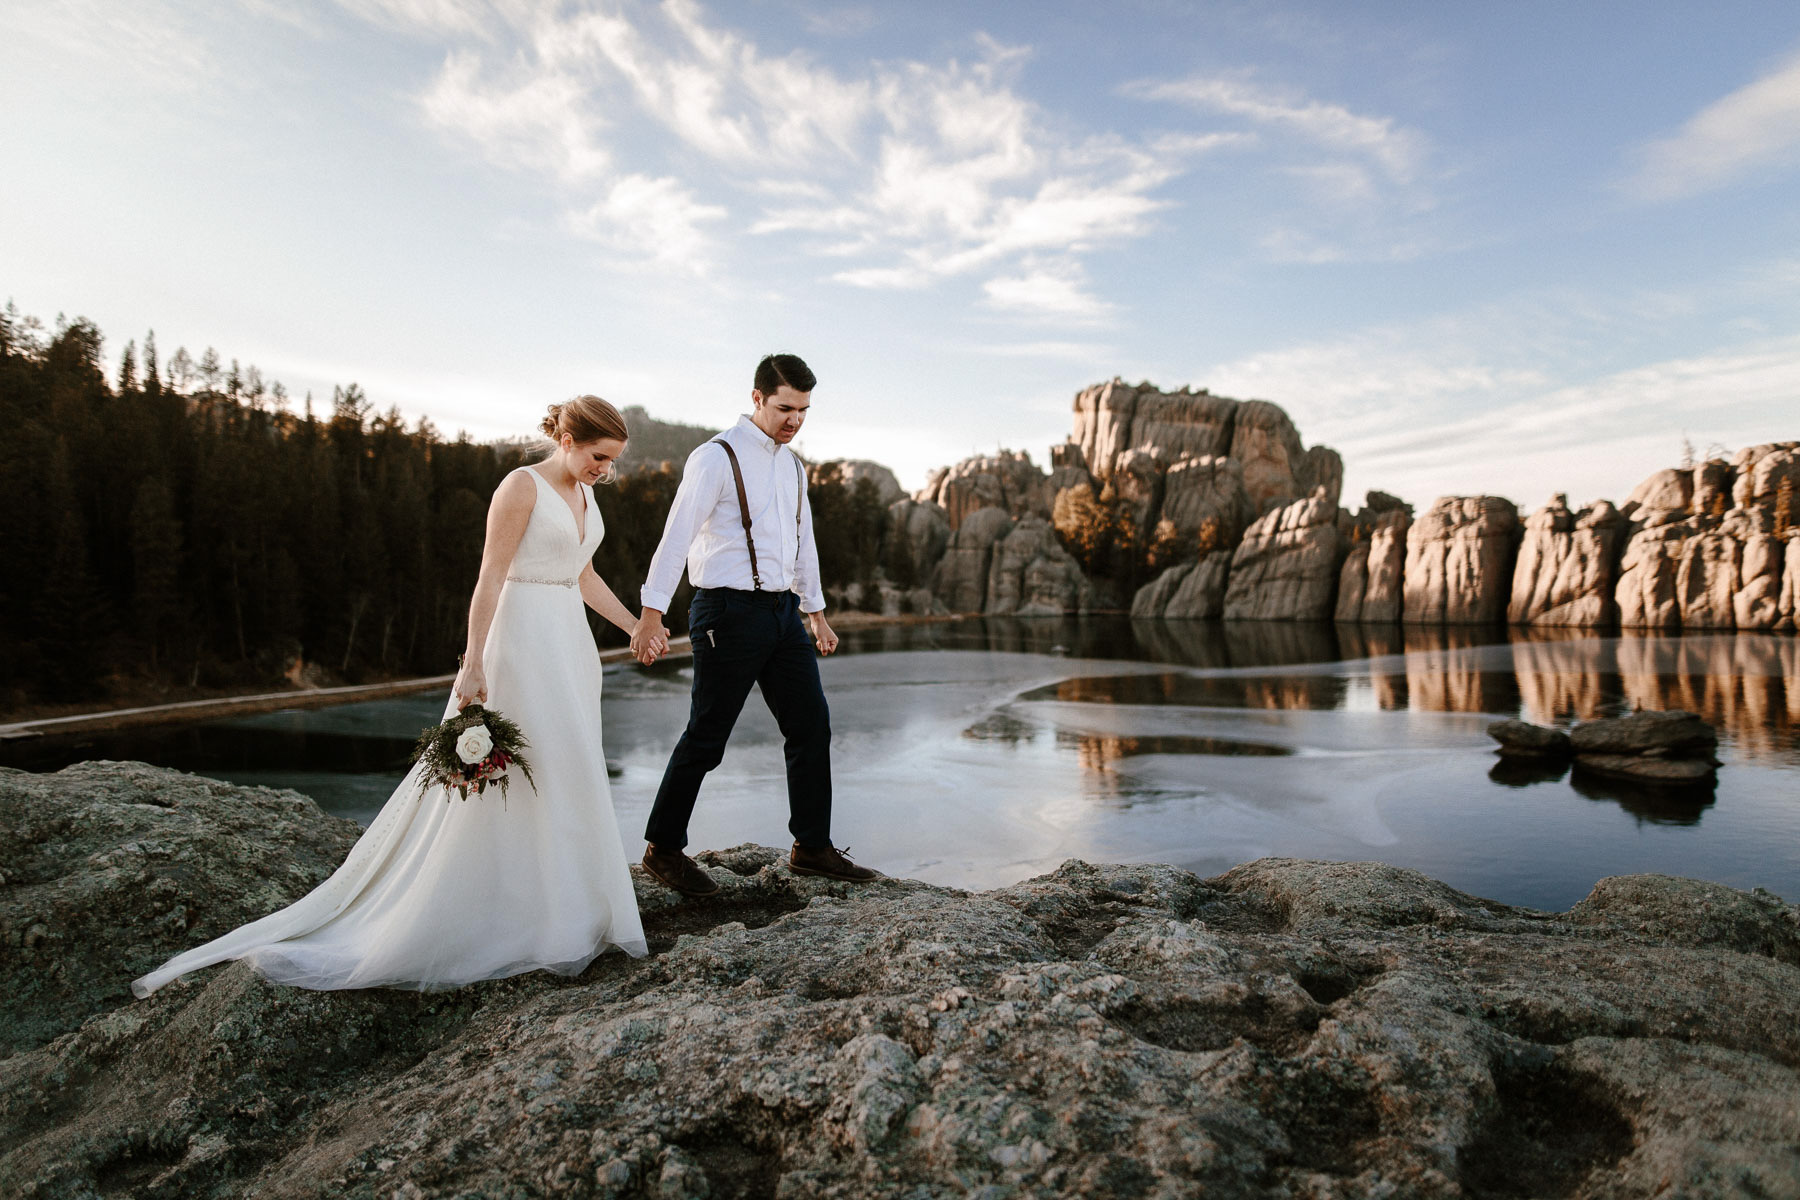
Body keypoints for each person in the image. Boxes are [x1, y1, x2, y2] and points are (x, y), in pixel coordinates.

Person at [133, 396, 652, 996]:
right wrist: (474, 663)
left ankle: (567, 906)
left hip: (569, 647)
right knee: (514, 772)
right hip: (522, 642)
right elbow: (488, 578)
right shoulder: (520, 487)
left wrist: (633, 626)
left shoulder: (586, 496)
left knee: (566, 767)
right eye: (598, 457)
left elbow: (582, 574)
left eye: (612, 462)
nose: (604, 471)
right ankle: (505, 908)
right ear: (566, 437)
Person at [630, 353, 877, 896]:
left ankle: (811, 846)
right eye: (786, 408)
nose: (795, 420)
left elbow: (801, 540)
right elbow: (675, 536)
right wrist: (652, 613)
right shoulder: (715, 457)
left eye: (804, 410)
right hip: (725, 613)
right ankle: (663, 850)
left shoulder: (793, 466)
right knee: (707, 737)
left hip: (784, 615)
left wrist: (815, 612)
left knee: (811, 725)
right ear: (757, 398)